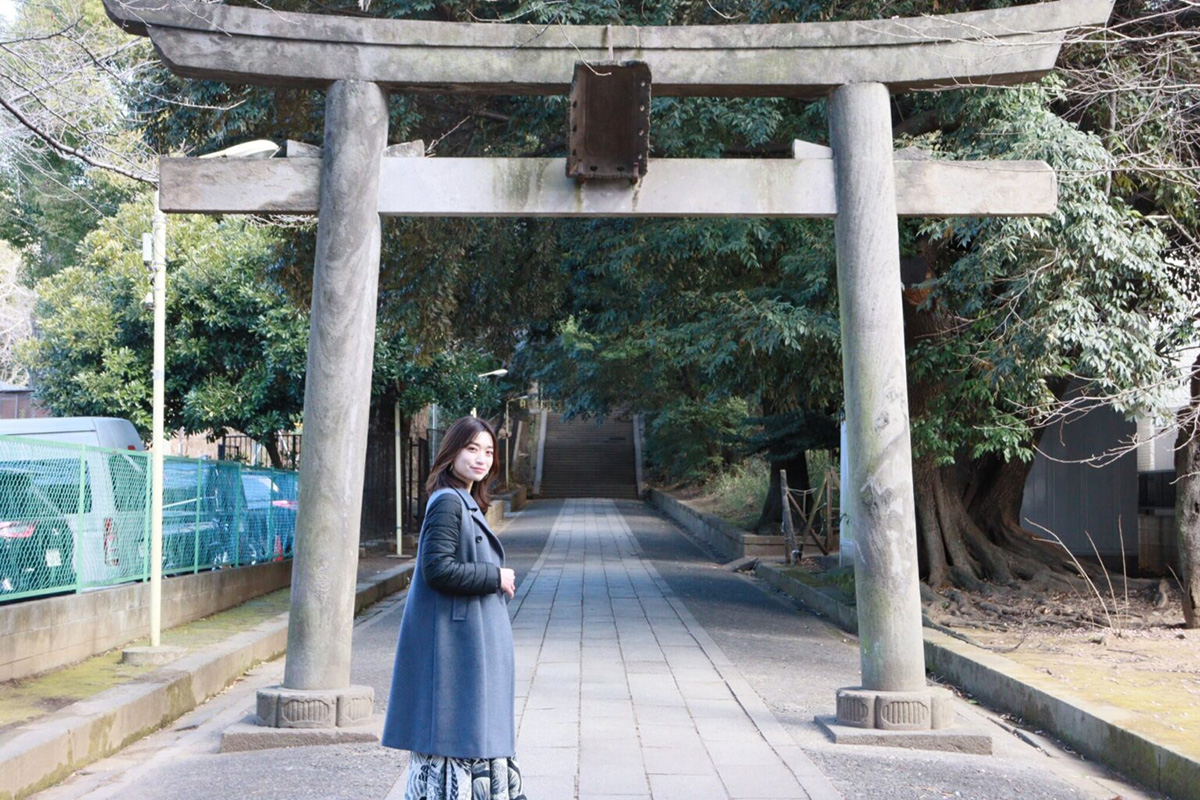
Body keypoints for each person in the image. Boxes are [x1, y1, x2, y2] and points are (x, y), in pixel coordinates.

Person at [382, 415, 526, 800]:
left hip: (464, 644)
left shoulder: (465, 500)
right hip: (455, 648)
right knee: (456, 743)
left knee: (469, 740)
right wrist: (495, 577)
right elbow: (437, 569)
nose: (481, 459)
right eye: (472, 448)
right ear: (452, 452)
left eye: (488, 451)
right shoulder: (448, 501)